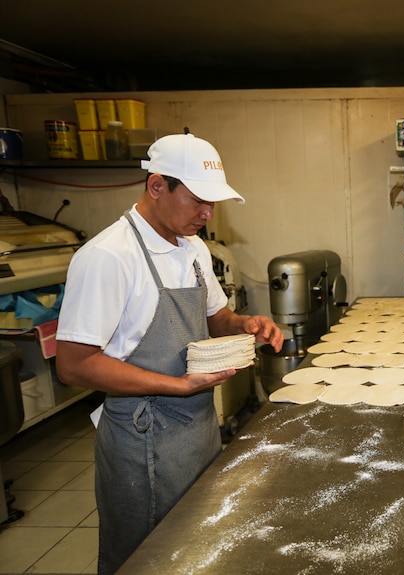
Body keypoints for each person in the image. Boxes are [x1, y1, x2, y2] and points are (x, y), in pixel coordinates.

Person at [55, 133, 284, 574]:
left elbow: (216, 318)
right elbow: (74, 363)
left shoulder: (192, 246)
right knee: (146, 558)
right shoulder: (108, 256)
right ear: (157, 186)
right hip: (142, 437)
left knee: (195, 543)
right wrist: (177, 386)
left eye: (213, 204)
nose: (207, 214)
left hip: (196, 424)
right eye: (198, 200)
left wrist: (247, 325)